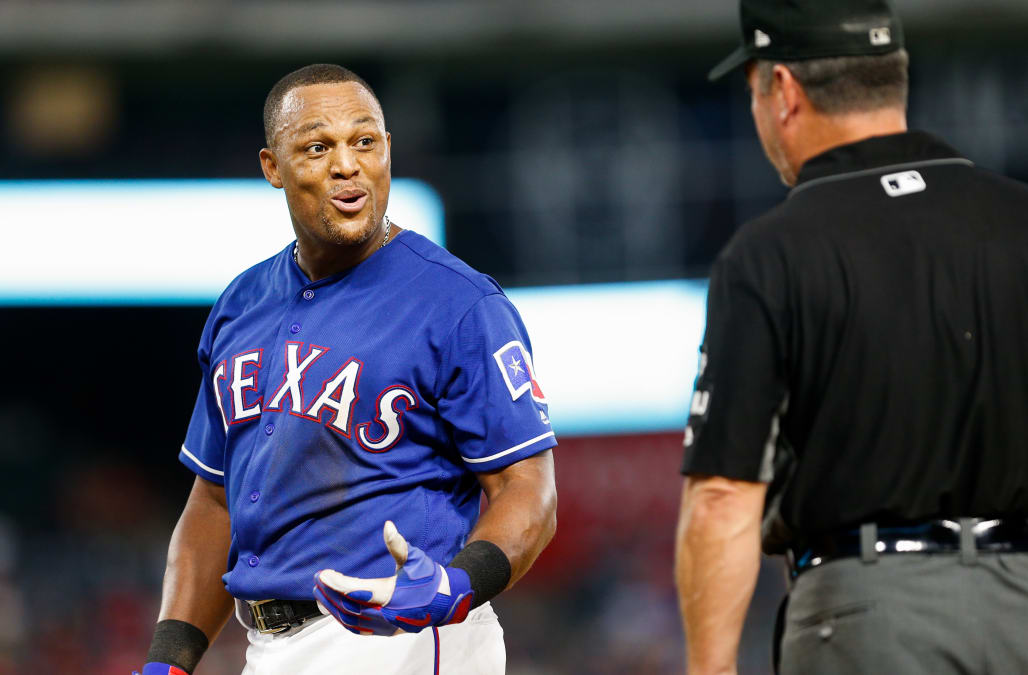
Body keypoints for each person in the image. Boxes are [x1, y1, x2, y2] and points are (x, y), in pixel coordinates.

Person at [138, 64, 557, 675]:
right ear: (272, 167)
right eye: (317, 147)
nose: (347, 165)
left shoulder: (461, 303)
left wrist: (455, 585)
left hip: (403, 637)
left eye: (365, 141)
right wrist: (169, 660)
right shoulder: (241, 304)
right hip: (268, 649)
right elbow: (214, 502)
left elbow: (529, 490)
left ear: (388, 150)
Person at [675, 1, 1028, 673]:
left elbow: (723, 497)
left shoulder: (772, 253)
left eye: (753, 90)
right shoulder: (1020, 219)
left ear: (783, 91)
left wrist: (709, 667)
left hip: (871, 613)